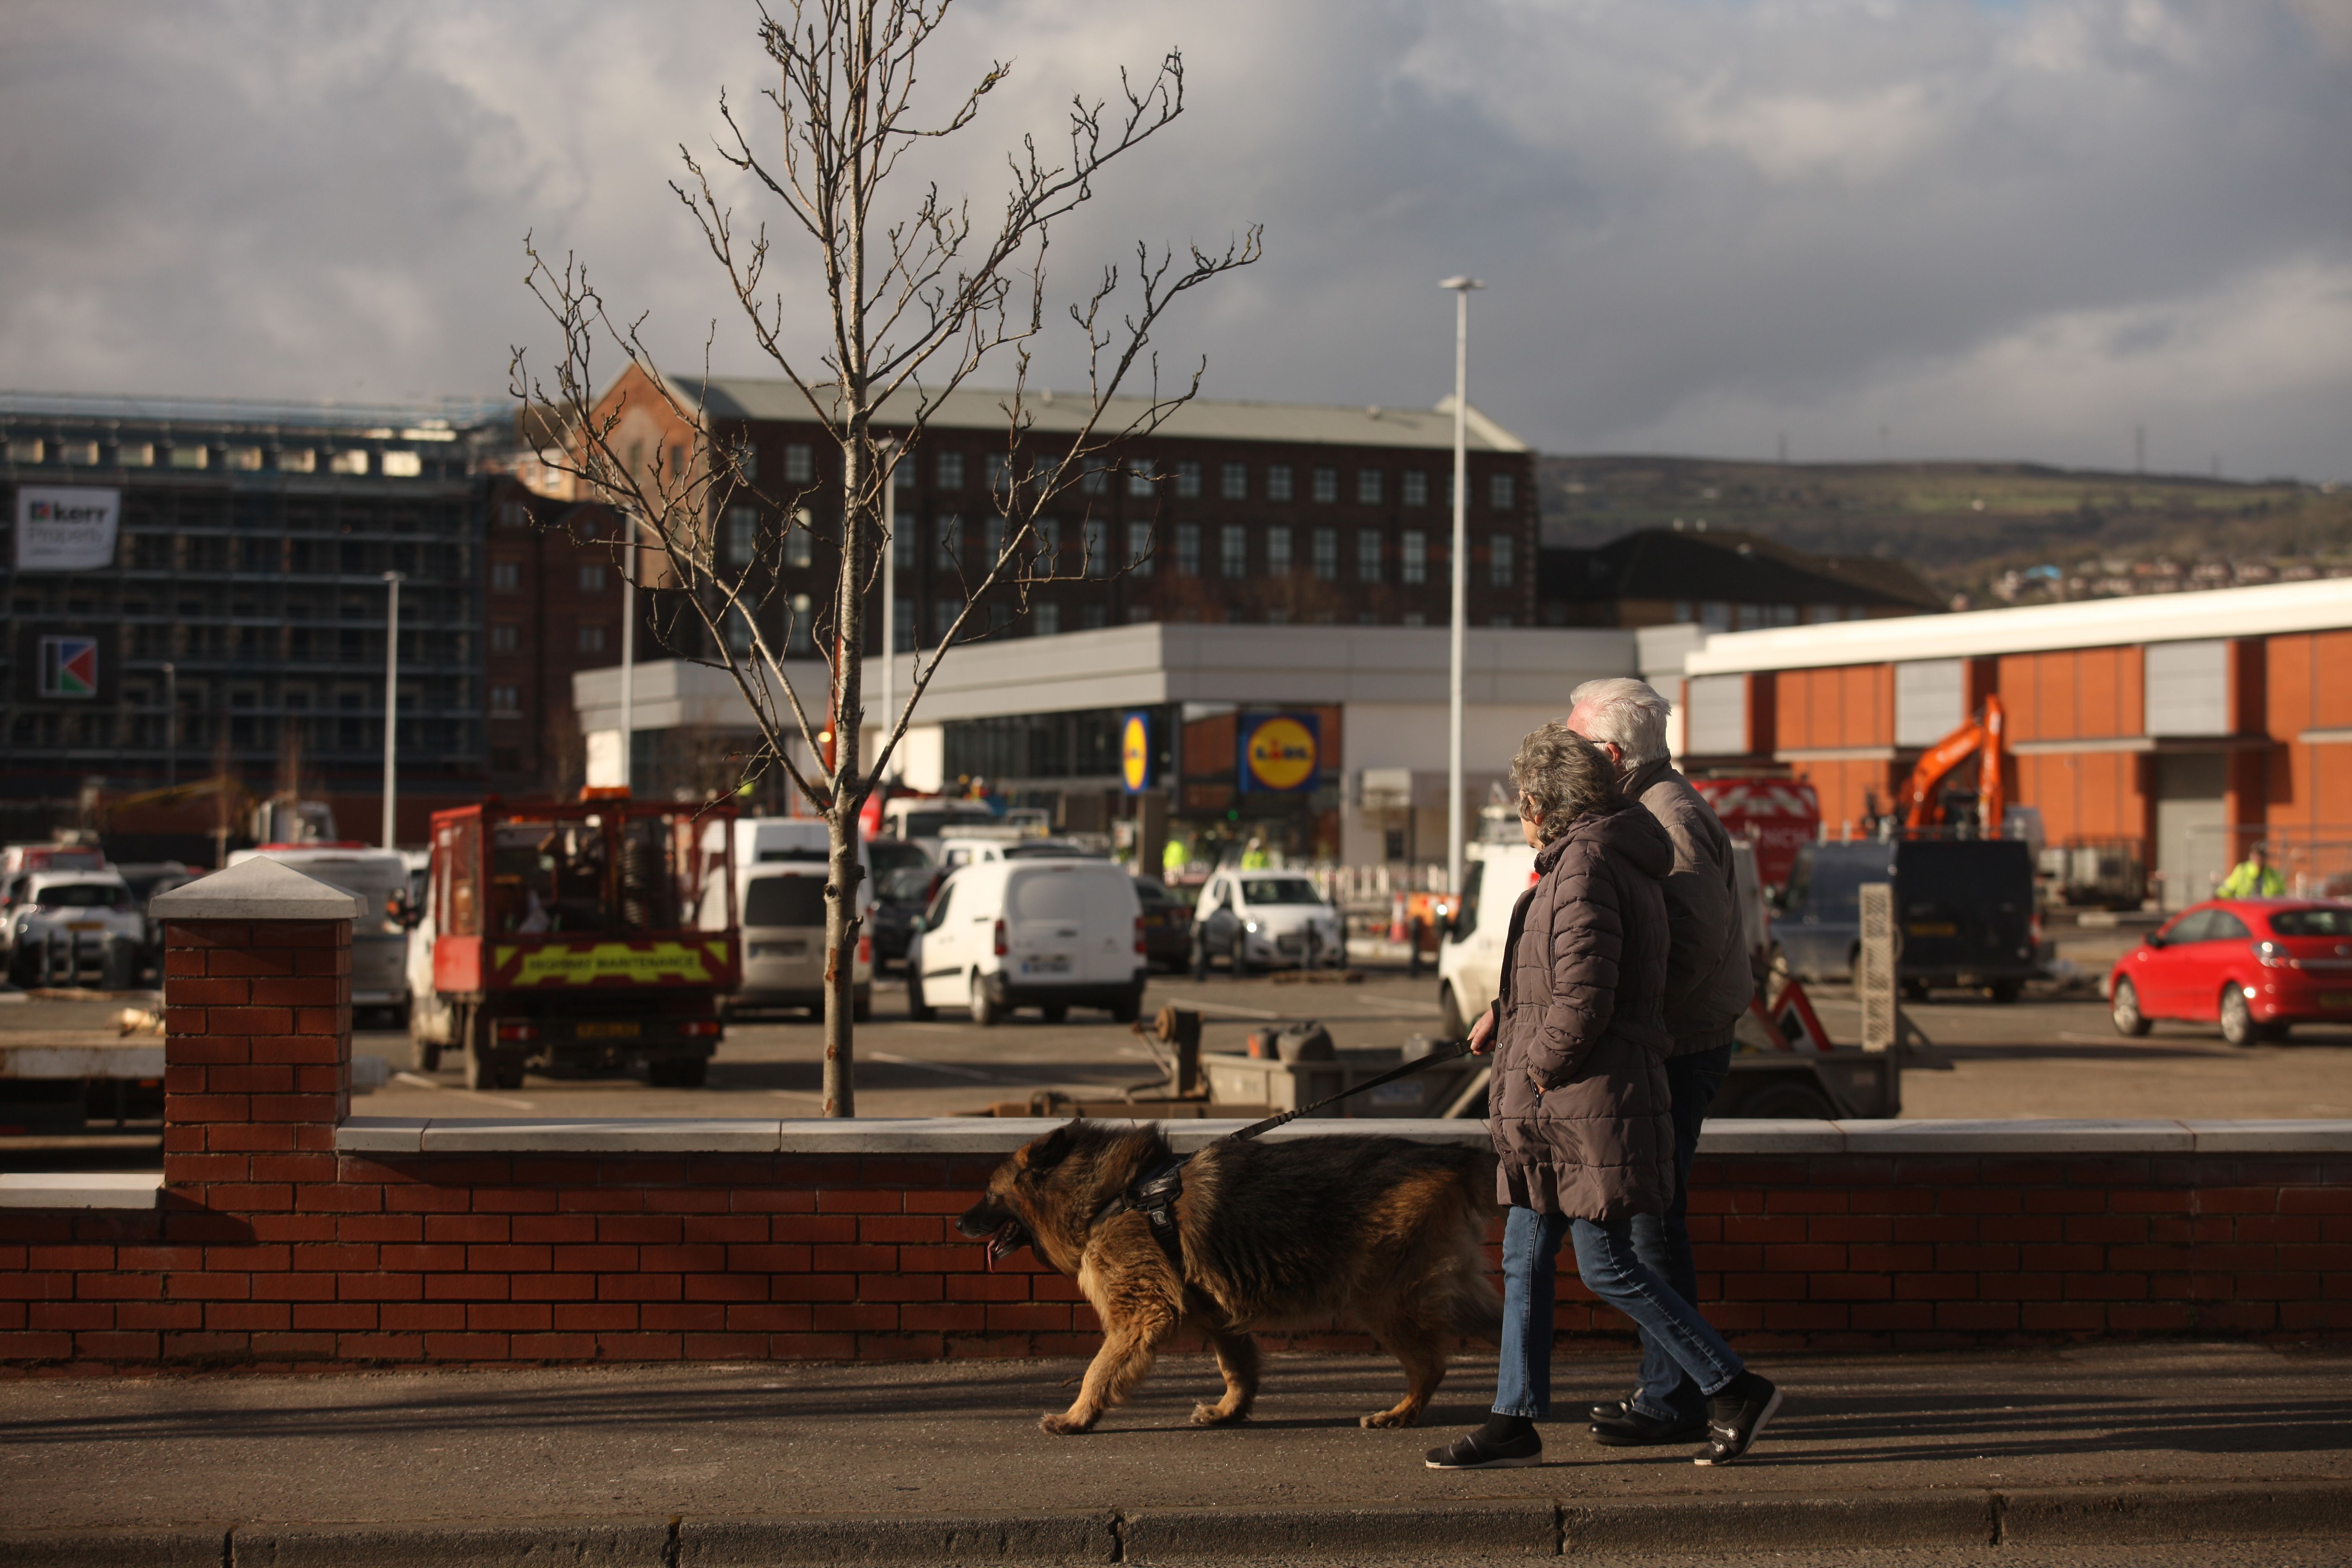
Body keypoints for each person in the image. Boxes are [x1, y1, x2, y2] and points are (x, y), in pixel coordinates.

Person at [1426, 724, 1780, 1472]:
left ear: (1536, 801)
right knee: (1524, 1252)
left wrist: (1543, 1065)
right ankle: (1513, 1416)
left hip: (1582, 1103)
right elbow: (1564, 973)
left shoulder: (1585, 865)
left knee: (1606, 1262)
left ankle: (1733, 1384)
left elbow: (1585, 995)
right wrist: (1506, 1014)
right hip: (1567, 1103)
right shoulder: (1594, 856)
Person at [1564, 677, 1756, 1447]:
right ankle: (1671, 1388)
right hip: (1679, 1042)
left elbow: (1691, 946)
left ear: (1611, 753)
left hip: (1675, 1049)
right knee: (1654, 1221)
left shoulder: (1665, 817)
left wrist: (1625, 1020)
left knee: (1650, 1224)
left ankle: (1676, 1393)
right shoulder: (1656, 805)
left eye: (1578, 746)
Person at [2218, 843, 2285, 899]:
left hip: (2266, 910)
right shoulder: (2242, 870)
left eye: (2261, 856)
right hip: (2246, 910)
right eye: (2256, 855)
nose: (2259, 858)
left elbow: (2282, 895)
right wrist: (2218, 895)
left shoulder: (2273, 874)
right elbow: (2229, 888)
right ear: (2251, 856)